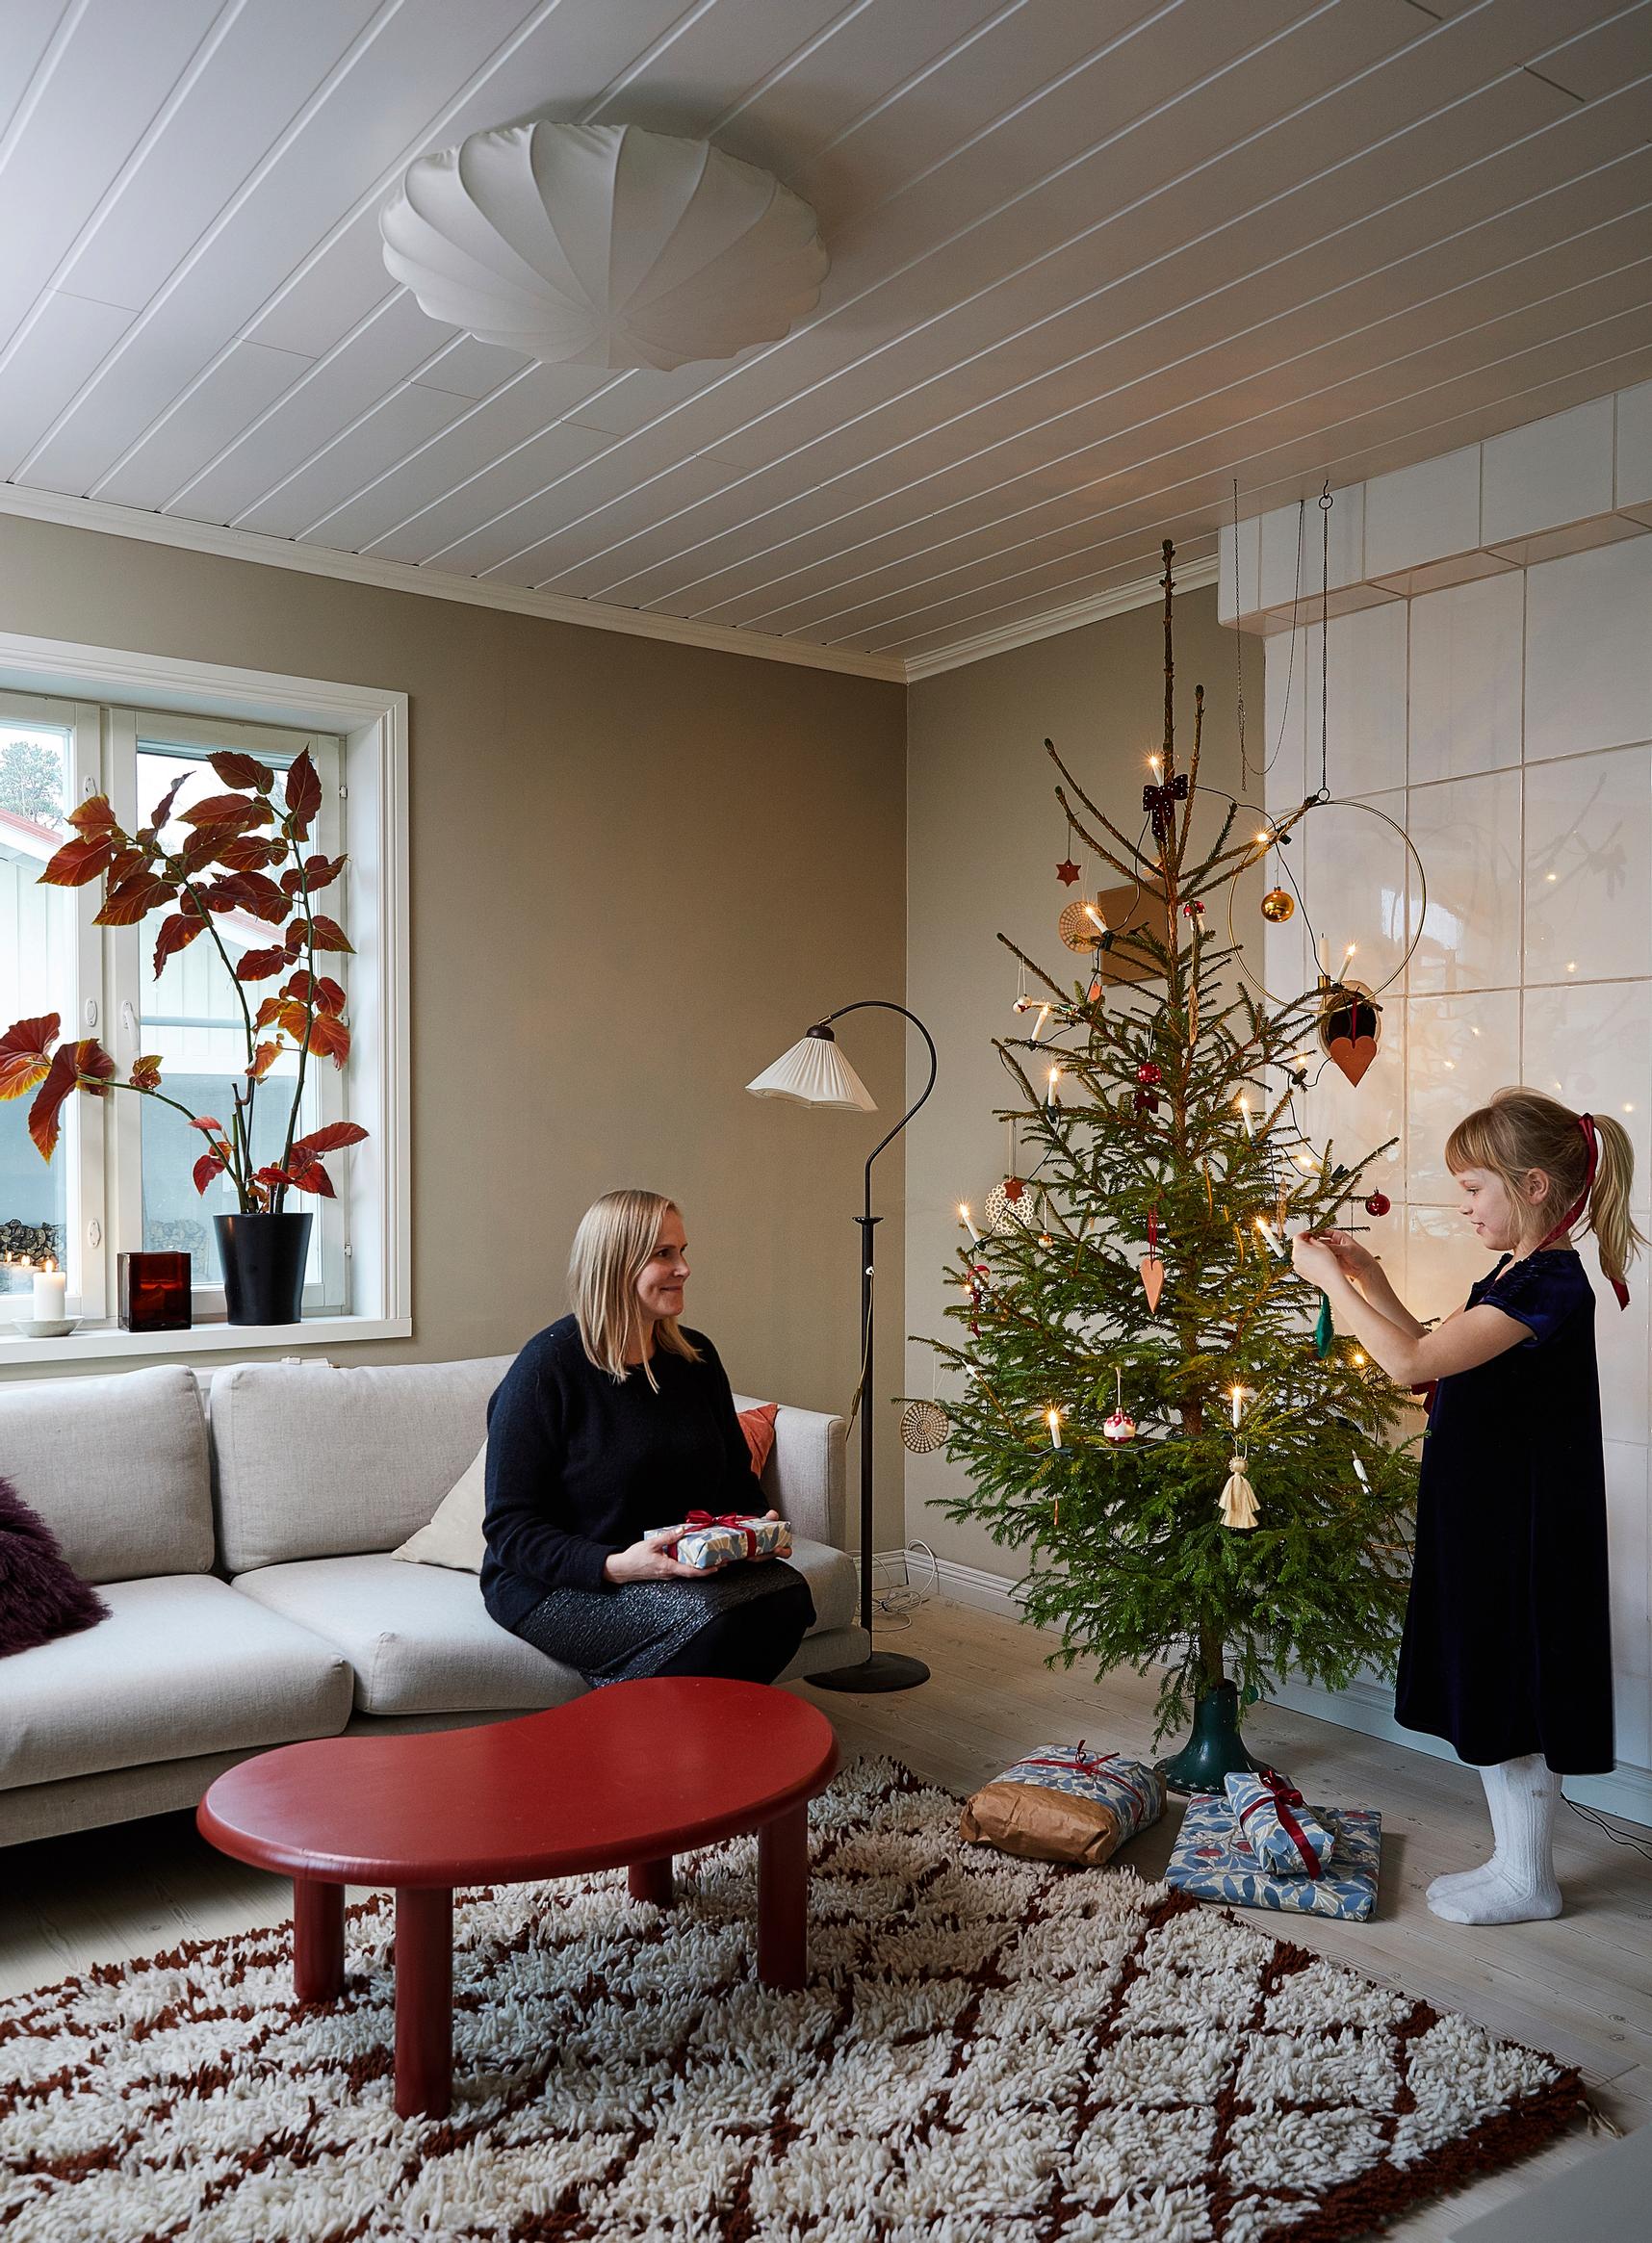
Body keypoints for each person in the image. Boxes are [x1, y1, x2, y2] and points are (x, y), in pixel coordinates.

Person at [1291, 1088, 1641, 1925]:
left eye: (1473, 1189)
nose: (1465, 1206)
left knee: (1512, 1688)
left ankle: (1529, 1881)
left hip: (1519, 1530)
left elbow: (1409, 1364)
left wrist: (1331, 1285)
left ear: (1531, 1186)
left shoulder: (1550, 1285)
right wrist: (1367, 1275)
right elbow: (1438, 1350)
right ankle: (1517, 1869)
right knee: (1491, 1685)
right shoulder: (1517, 1274)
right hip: (1483, 1516)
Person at [481, 1189, 814, 1687]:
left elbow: (733, 1479)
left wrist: (751, 1530)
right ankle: (651, 1746)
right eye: (664, 1254)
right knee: (717, 1626)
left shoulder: (695, 1358)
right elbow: (510, 1530)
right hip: (565, 1582)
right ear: (616, 1265)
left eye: (682, 1252)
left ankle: (698, 1747)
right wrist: (616, 1566)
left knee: (788, 1599)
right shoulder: (546, 1369)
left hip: (677, 1565)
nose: (683, 1268)